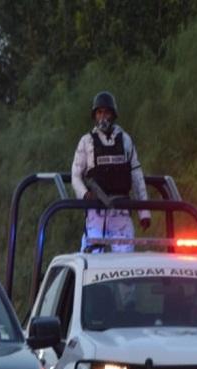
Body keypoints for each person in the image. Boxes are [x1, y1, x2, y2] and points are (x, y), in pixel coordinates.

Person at [71, 91, 151, 252]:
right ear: (94, 115)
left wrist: (144, 213)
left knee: (125, 262)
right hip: (96, 211)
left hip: (121, 210)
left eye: (106, 112)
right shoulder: (86, 141)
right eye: (99, 112)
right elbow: (76, 175)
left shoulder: (126, 140)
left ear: (113, 115)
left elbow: (136, 176)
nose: (103, 116)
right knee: (90, 259)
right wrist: (85, 194)